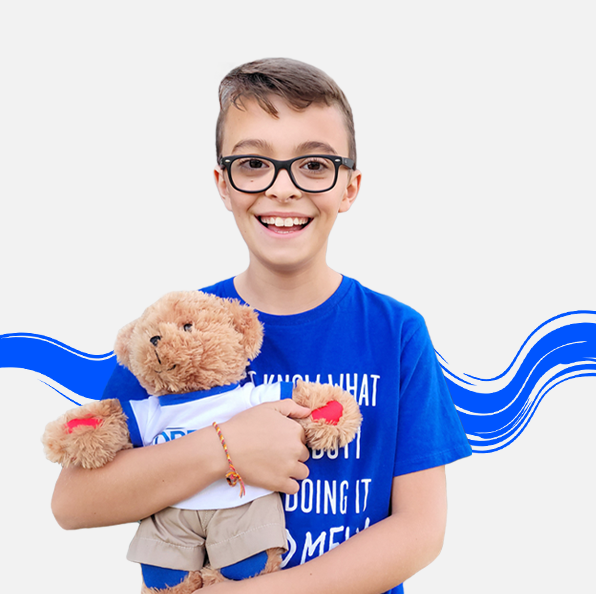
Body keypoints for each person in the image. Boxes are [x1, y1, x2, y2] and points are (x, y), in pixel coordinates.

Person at [49, 58, 472, 594]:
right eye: (254, 163)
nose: (283, 189)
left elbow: (420, 530)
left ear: (350, 187)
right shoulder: (175, 331)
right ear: (223, 185)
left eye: (314, 165)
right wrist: (225, 447)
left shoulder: (396, 333)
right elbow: (74, 502)